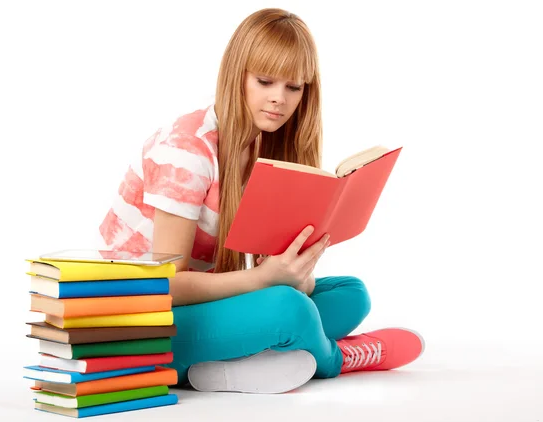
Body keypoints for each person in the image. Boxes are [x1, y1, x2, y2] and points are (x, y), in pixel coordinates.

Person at [98, 7, 424, 394]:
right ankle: (335, 358)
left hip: (204, 304)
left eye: (293, 87)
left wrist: (292, 273)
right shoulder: (186, 149)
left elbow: (259, 275)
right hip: (139, 322)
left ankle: (233, 365)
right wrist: (264, 281)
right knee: (291, 310)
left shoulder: (264, 147)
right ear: (237, 75)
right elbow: (164, 286)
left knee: (350, 293)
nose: (278, 100)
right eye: (265, 81)